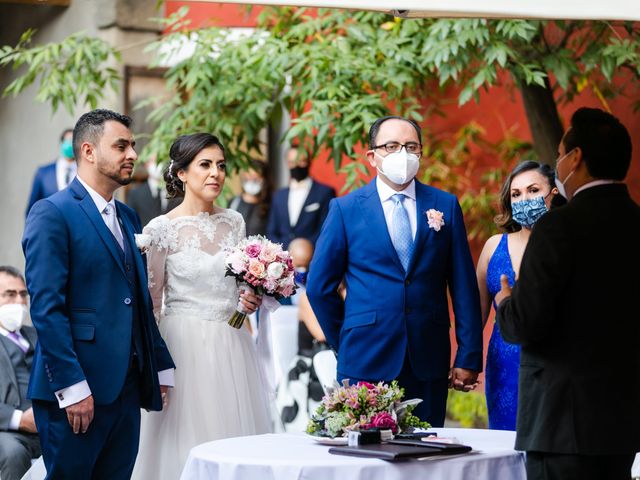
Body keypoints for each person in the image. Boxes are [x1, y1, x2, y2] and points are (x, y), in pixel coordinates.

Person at [22, 109, 175, 479]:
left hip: (126, 388)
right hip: (78, 390)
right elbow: (47, 308)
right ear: (88, 151)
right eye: (121, 145)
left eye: (133, 146)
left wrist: (159, 364)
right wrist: (72, 387)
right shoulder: (51, 213)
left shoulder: (127, 216)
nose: (133, 155)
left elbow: (136, 298)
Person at [307, 116, 483, 426]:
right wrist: (345, 339)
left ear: (421, 153)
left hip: (428, 355)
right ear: (372, 157)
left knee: (426, 456)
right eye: (391, 146)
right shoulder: (345, 209)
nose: (402, 153)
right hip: (365, 357)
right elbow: (319, 288)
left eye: (410, 146)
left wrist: (468, 355)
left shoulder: (445, 205)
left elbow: (463, 287)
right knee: (366, 460)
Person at [495, 107, 640, 480]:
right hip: (622, 421)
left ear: (575, 158)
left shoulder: (560, 226)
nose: (558, 162)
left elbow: (526, 323)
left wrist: (506, 303)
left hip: (560, 422)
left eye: (560, 154)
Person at [133, 133, 271, 480]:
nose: (216, 174)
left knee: (234, 435)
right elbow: (151, 304)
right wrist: (152, 364)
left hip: (231, 341)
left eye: (221, 166)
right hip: (182, 346)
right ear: (181, 173)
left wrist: (250, 298)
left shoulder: (234, 221)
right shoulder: (161, 229)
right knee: (184, 440)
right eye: (205, 165)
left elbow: (240, 284)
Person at [475, 161, 557, 430]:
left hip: (555, 362)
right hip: (504, 362)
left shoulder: (568, 245)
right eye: (516, 194)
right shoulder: (492, 247)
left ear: (553, 192)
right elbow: (476, 317)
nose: (524, 199)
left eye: (533, 190)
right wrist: (466, 362)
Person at [0, 266, 41, 480]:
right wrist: (19, 419)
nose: (18, 301)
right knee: (13, 453)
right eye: (9, 294)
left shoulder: (39, 334)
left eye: (23, 294)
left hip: (48, 423)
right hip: (6, 431)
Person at [267, 145, 335, 248]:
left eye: (301, 161)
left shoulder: (324, 193)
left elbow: (326, 228)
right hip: (282, 258)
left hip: (312, 256)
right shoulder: (279, 196)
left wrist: (304, 250)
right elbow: (271, 231)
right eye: (292, 162)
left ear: (309, 161)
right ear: (287, 164)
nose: (297, 166)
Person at [26, 128, 77, 215]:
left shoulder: (84, 173)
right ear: (61, 144)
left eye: (73, 142)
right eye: (68, 141)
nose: (70, 145)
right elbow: (32, 208)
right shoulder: (43, 173)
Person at [126, 155, 181, 227]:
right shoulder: (135, 194)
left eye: (161, 161)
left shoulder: (177, 193)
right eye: (155, 161)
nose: (159, 164)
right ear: (146, 164)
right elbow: (130, 223)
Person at [229, 159, 272, 236]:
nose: (251, 181)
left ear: (264, 180)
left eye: (255, 178)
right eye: (248, 177)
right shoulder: (233, 203)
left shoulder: (271, 206)